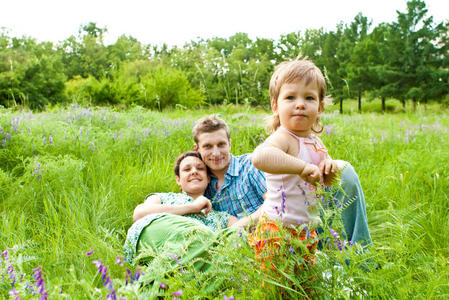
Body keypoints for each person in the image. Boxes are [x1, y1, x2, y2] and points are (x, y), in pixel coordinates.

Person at [193, 109, 370, 247]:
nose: (216, 153)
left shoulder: (249, 165)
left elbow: (275, 203)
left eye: (221, 144)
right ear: (197, 149)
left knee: (344, 171)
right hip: (254, 248)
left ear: (230, 144)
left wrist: (240, 225)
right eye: (208, 146)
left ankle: (359, 255)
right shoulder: (203, 184)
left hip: (290, 230)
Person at [249, 59, 336, 270]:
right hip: (277, 229)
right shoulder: (284, 138)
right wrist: (302, 167)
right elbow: (260, 157)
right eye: (290, 97)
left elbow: (323, 181)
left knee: (303, 282)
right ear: (275, 105)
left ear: (320, 106)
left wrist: (329, 170)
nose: (300, 104)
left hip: (306, 230)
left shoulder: (316, 143)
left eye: (309, 97)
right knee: (276, 283)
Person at [123, 151, 250, 266]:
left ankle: (158, 279)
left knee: (236, 239)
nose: (194, 171)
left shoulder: (220, 217)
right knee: (200, 238)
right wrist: (192, 207)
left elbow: (244, 232)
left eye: (200, 168)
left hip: (195, 254)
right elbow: (139, 214)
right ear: (178, 180)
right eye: (187, 169)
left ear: (208, 179)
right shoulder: (163, 198)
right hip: (156, 236)